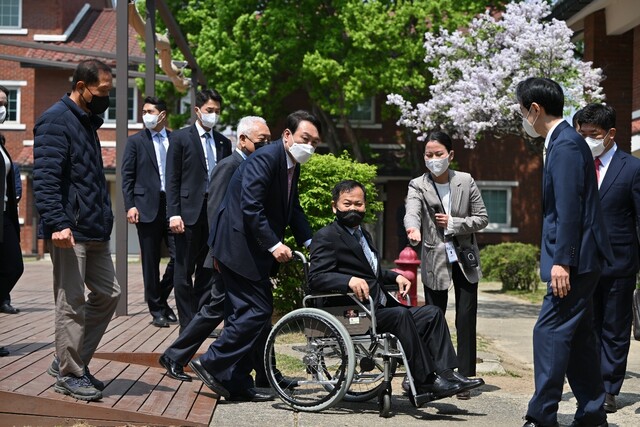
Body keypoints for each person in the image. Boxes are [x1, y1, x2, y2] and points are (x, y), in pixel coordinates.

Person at [308, 180, 484, 402]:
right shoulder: (327, 236)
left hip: (377, 307)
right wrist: (348, 280)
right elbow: (316, 279)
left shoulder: (363, 234)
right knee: (401, 316)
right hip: (353, 312)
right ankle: (424, 382)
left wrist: (396, 275)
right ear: (334, 206)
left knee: (432, 314)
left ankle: (448, 374)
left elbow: (371, 272)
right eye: (347, 203)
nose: (353, 209)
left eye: (359, 204)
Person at [188, 110, 318, 402]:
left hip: (248, 250)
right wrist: (274, 245)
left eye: (315, 142)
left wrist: (310, 240)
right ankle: (211, 362)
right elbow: (251, 206)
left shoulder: (291, 164)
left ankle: (236, 382)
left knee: (242, 317)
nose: (309, 146)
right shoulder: (266, 158)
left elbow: (292, 208)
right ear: (288, 136)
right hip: (238, 248)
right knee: (258, 312)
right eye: (304, 139)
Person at [516, 77, 613, 427]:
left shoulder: (566, 145)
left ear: (535, 109)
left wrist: (562, 260)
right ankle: (591, 414)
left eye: (522, 110)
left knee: (549, 332)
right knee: (580, 339)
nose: (522, 118)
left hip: (575, 260)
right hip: (580, 258)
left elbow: (570, 209)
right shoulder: (561, 142)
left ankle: (541, 416)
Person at [33, 59, 121, 402]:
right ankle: (70, 373)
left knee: (109, 293)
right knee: (71, 302)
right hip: (70, 230)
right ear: (82, 87)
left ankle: (68, 360)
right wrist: (58, 222)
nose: (106, 98)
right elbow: (45, 179)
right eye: (102, 92)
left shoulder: (86, 121)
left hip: (94, 227)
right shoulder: (56, 120)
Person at [160, 115, 271, 381]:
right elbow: (216, 212)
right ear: (242, 140)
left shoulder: (256, 167)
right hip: (227, 255)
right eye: (261, 140)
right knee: (229, 309)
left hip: (242, 256)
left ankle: (265, 372)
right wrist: (219, 253)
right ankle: (175, 356)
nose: (267, 145)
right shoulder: (229, 166)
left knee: (238, 312)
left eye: (269, 139)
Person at [404, 130, 488, 399]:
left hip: (464, 257)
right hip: (434, 257)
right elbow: (412, 210)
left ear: (450, 155)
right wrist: (412, 229)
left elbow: (482, 218)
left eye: (439, 154)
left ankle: (464, 376)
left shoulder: (465, 180)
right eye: (429, 155)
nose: (434, 159)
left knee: (465, 318)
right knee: (433, 317)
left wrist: (455, 223)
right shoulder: (418, 184)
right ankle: (434, 375)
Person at [576, 103, 640, 414]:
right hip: (584, 262)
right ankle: (589, 384)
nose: (587, 139)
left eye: (595, 134)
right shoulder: (576, 165)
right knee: (588, 326)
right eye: (583, 133)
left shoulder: (632, 168)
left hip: (620, 262)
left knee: (614, 327)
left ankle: (609, 388)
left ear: (611, 134)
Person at [166, 89, 232, 331]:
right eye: (209, 111)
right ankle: (187, 324)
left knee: (207, 269)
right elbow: (172, 180)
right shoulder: (180, 138)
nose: (213, 115)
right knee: (183, 271)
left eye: (216, 112)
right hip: (186, 213)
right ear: (197, 111)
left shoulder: (224, 142)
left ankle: (199, 323)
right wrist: (173, 213)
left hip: (214, 216)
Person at [121, 96, 177, 328]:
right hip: (146, 207)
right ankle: (157, 310)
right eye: (144, 111)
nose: (146, 115)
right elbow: (127, 176)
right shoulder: (135, 142)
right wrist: (130, 205)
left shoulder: (176, 140)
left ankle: (160, 298)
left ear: (162, 115)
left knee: (180, 258)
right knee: (151, 261)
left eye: (150, 111)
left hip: (172, 206)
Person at [0, 84, 24, 331]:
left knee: (14, 267)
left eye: (6, 104)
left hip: (5, 216)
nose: (3, 108)